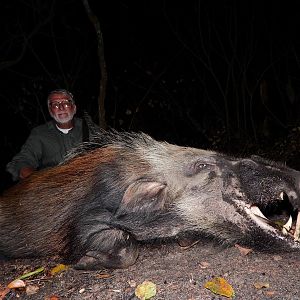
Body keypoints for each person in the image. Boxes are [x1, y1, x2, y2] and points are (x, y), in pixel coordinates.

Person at [6, 89, 98, 181]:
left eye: (66, 103)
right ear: (50, 111)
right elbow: (21, 161)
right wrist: (39, 180)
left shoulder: (90, 129)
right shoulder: (40, 133)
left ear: (74, 108)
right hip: (52, 188)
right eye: (55, 104)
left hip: (85, 186)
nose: (61, 107)